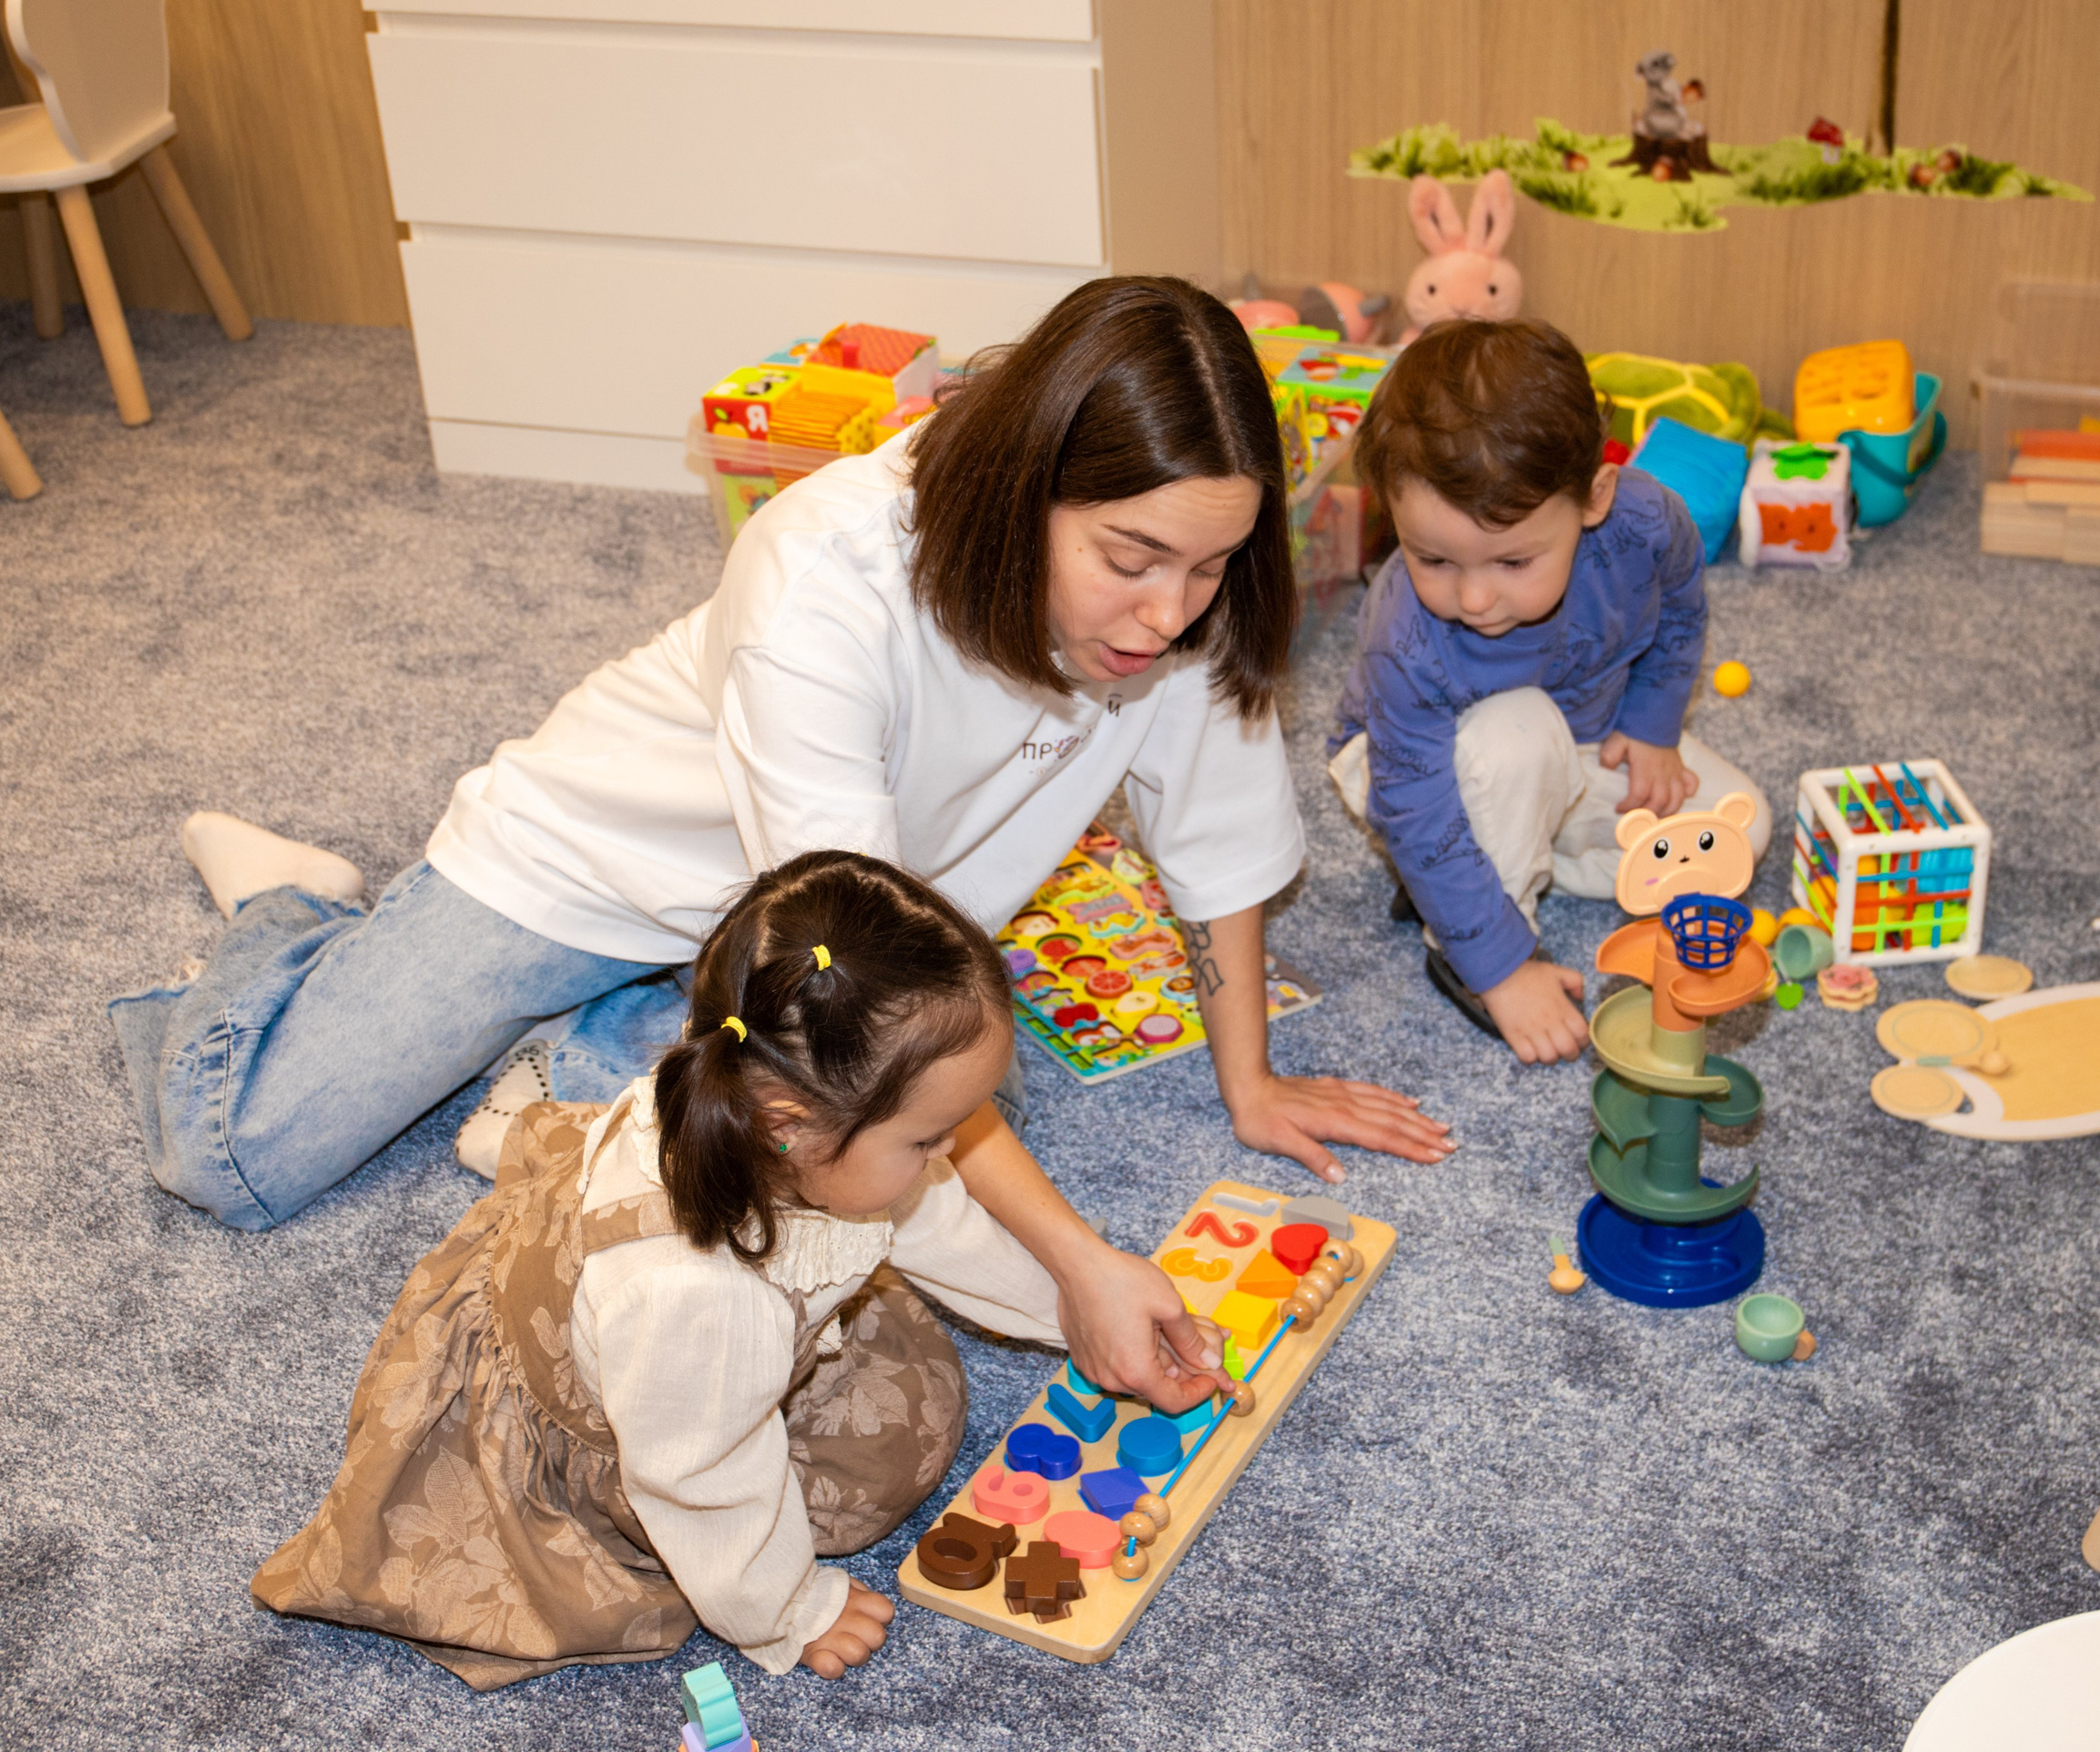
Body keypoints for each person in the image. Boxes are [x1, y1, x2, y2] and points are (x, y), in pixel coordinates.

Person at [110, 277, 1450, 1411]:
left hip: (792, 953)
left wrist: (1252, 1083)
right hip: (595, 865)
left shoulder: (1177, 608)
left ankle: (603, 1050)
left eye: (1211, 564)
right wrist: (1078, 1265)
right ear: (1025, 485)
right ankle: (288, 911)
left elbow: (1210, 845)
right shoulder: (828, 573)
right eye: (1131, 555)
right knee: (239, 1163)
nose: (1169, 612)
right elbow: (871, 1003)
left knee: (801, 1138)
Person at [254, 851, 1184, 1686]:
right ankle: (273, 908)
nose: (953, 1155)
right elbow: (699, 1477)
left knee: (904, 1346)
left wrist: (1069, 1308)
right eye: (929, 1136)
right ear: (786, 1124)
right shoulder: (700, 1297)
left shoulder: (759, 1114)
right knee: (875, 1470)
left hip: (664, 1323)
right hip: (626, 1417)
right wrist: (788, 1612)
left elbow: (935, 1219)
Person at [1324, 319, 1772, 1064]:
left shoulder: (1645, 524)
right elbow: (1413, 797)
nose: (1472, 597)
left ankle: (1496, 863)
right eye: (1433, 557)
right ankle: (1464, 935)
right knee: (1519, 734)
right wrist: (1500, 971)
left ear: (1594, 499)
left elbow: (1682, 611)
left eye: (1511, 561)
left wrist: (1654, 725)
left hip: (1583, 738)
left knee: (1739, 831)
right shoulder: (1405, 634)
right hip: (1410, 770)